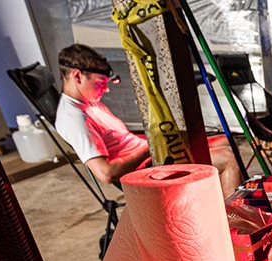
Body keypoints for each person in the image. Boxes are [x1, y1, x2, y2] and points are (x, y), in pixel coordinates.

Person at [55, 44, 244, 194]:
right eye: (101, 83)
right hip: (147, 169)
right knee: (228, 158)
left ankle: (215, 207)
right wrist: (151, 147)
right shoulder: (74, 118)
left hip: (152, 154)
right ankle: (233, 226)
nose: (106, 89)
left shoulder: (87, 103)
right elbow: (106, 173)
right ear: (77, 75)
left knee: (222, 140)